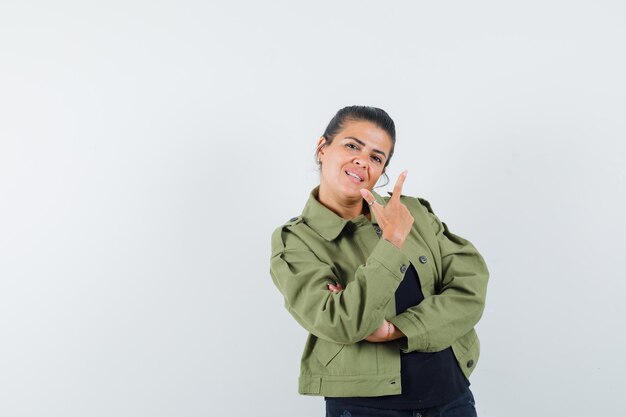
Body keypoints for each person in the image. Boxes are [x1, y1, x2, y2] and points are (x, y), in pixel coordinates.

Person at [270, 106, 489, 417]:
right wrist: (392, 243)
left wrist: (395, 329)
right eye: (352, 145)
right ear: (322, 148)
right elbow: (342, 322)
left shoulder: (412, 213)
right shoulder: (297, 240)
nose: (362, 160)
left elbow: (471, 290)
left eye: (376, 157)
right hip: (365, 408)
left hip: (451, 398)